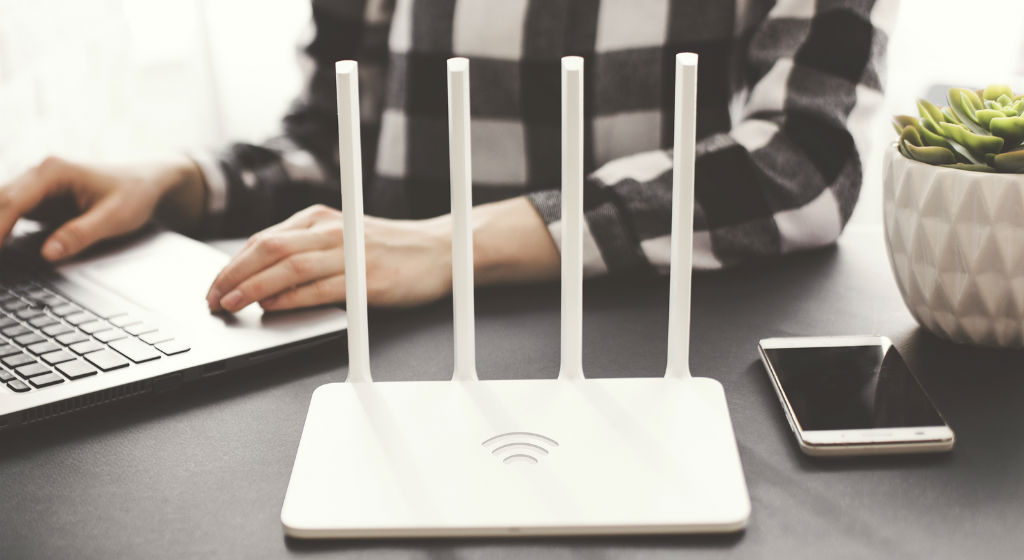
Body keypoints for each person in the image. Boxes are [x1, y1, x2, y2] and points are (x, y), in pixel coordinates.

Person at [0, 0, 894, 312]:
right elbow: (337, 137)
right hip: (369, 352)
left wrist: (442, 247)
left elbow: (801, 165)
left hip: (649, 357)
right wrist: (189, 181)